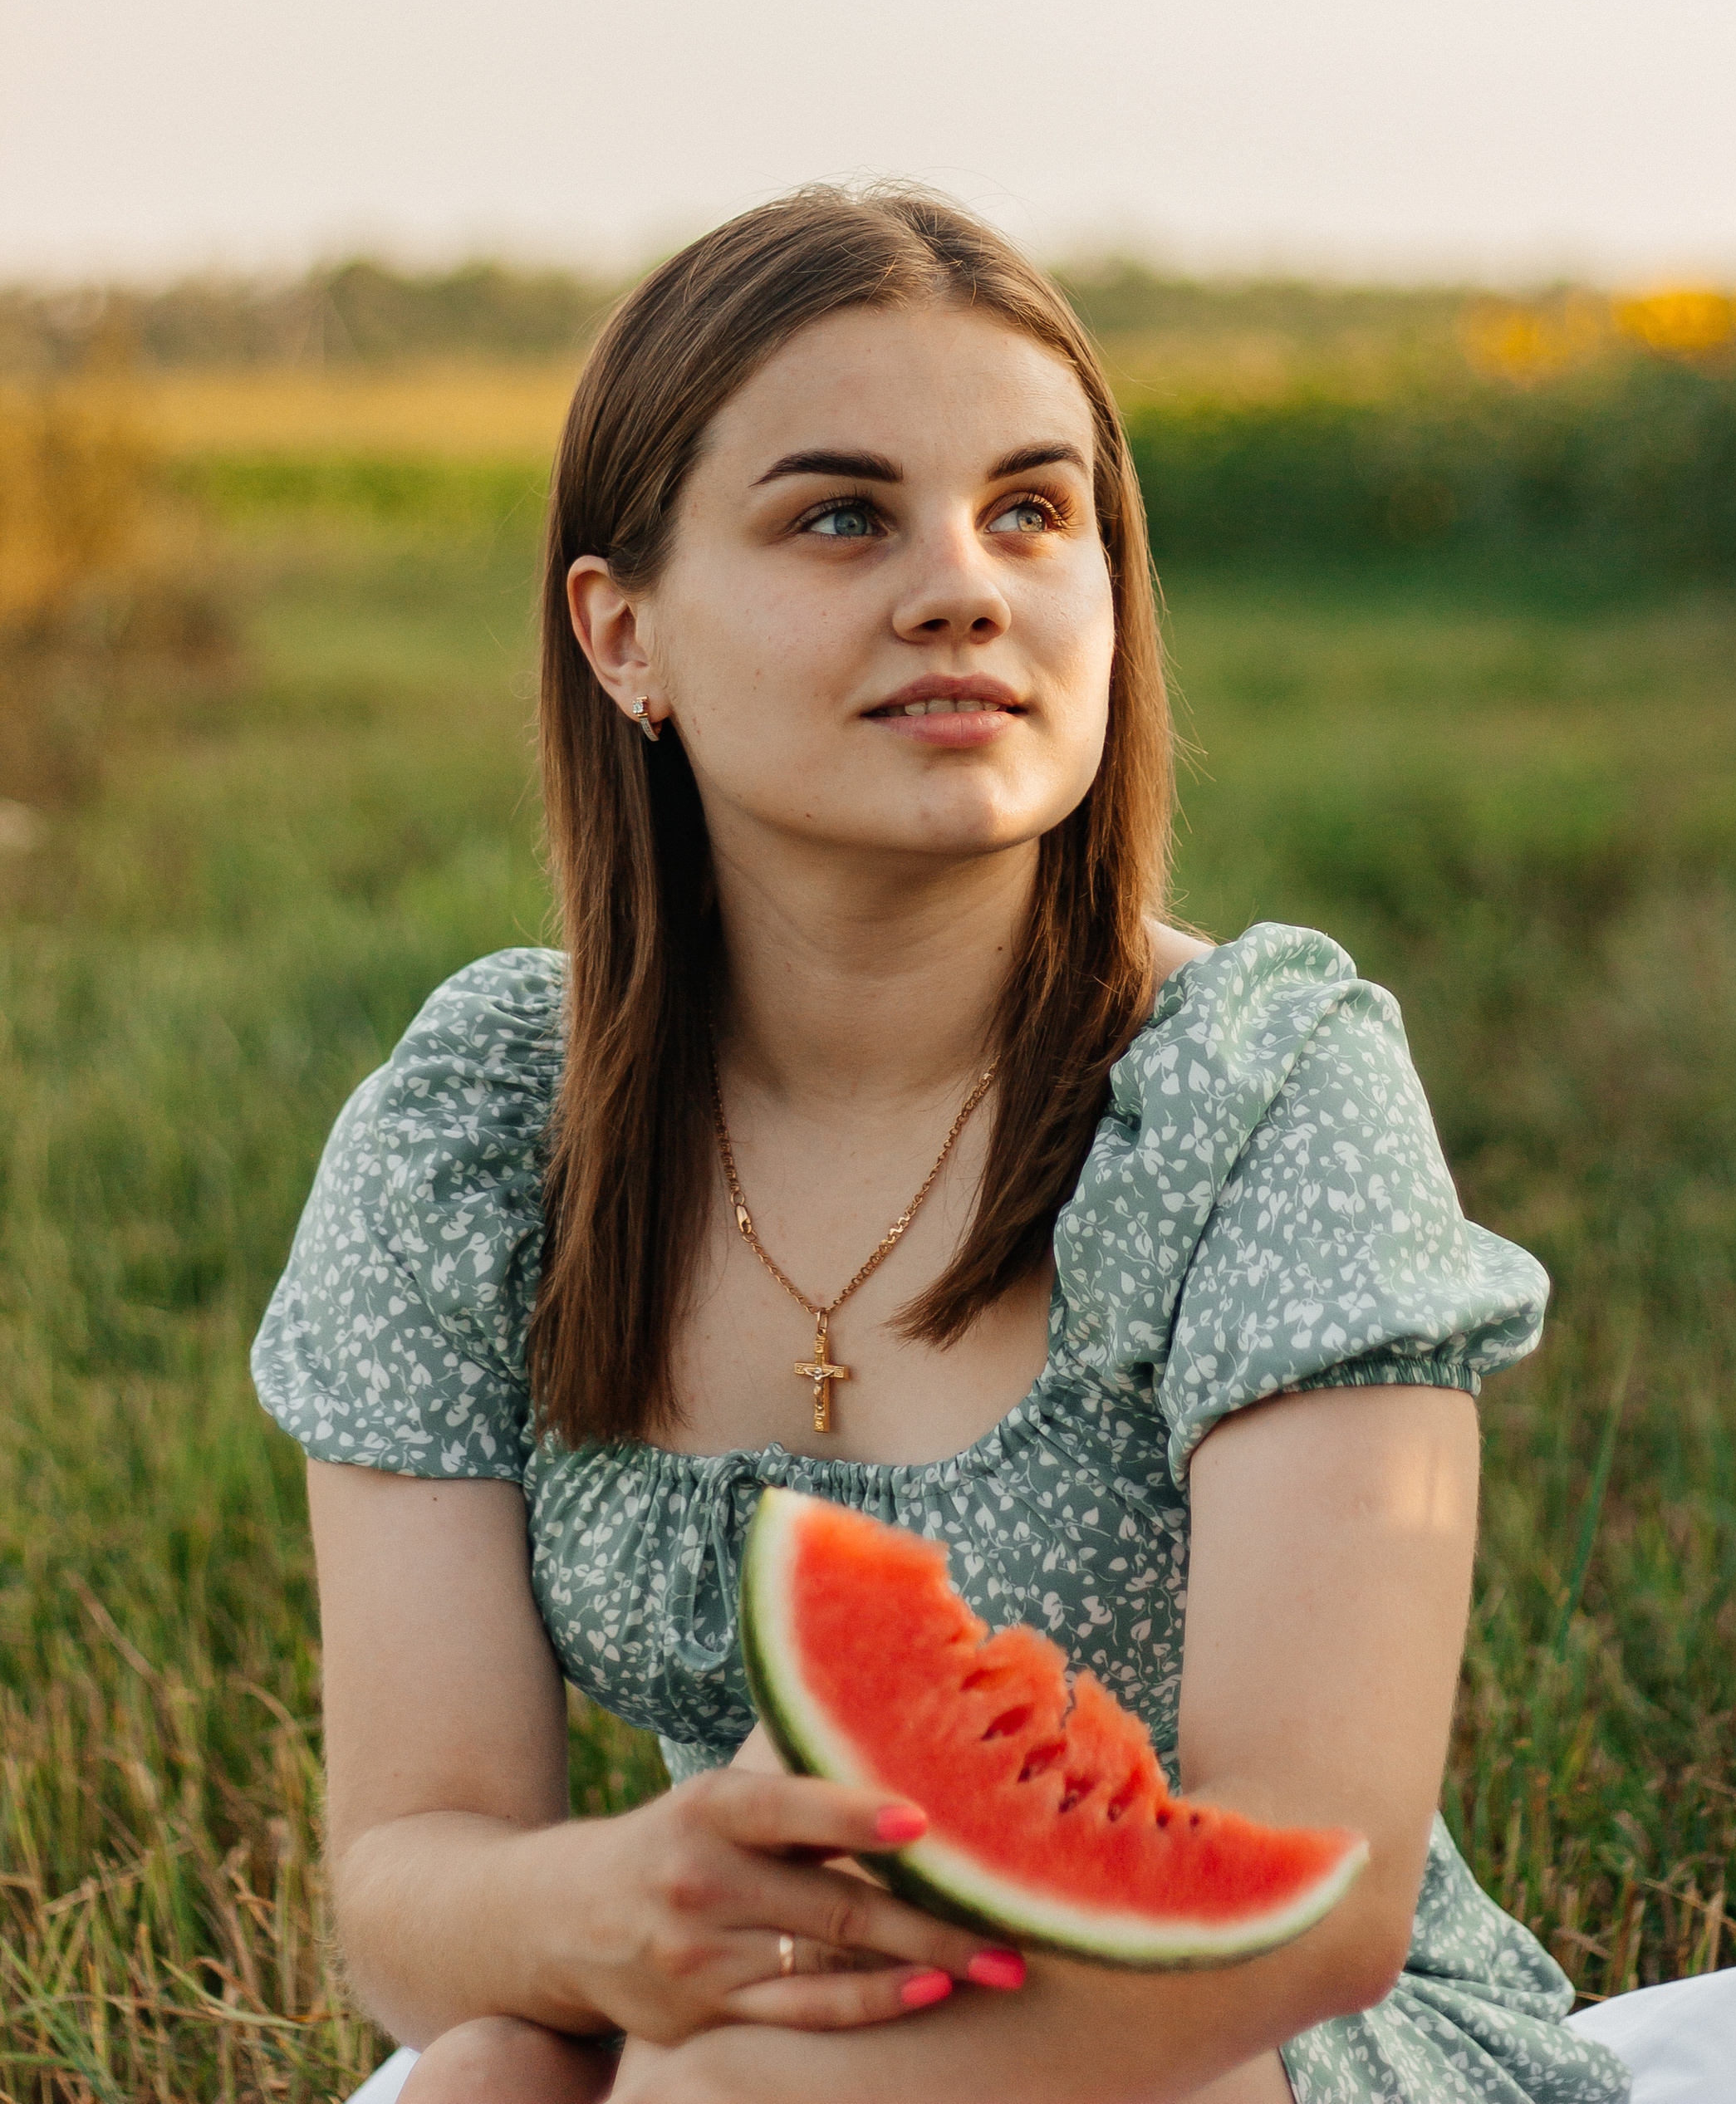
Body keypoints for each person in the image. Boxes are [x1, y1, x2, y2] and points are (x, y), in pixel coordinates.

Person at [250, 184, 1635, 2104]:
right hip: (758, 2008)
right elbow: (408, 1881)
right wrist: (611, 1908)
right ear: (622, 633)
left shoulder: (1255, 1087)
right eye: (840, 515)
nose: (964, 585)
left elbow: (1310, 1902)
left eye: (1031, 511)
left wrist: (729, 2051)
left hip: (1261, 2040)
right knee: (492, 2068)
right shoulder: (484, 1124)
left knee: (729, 2082)